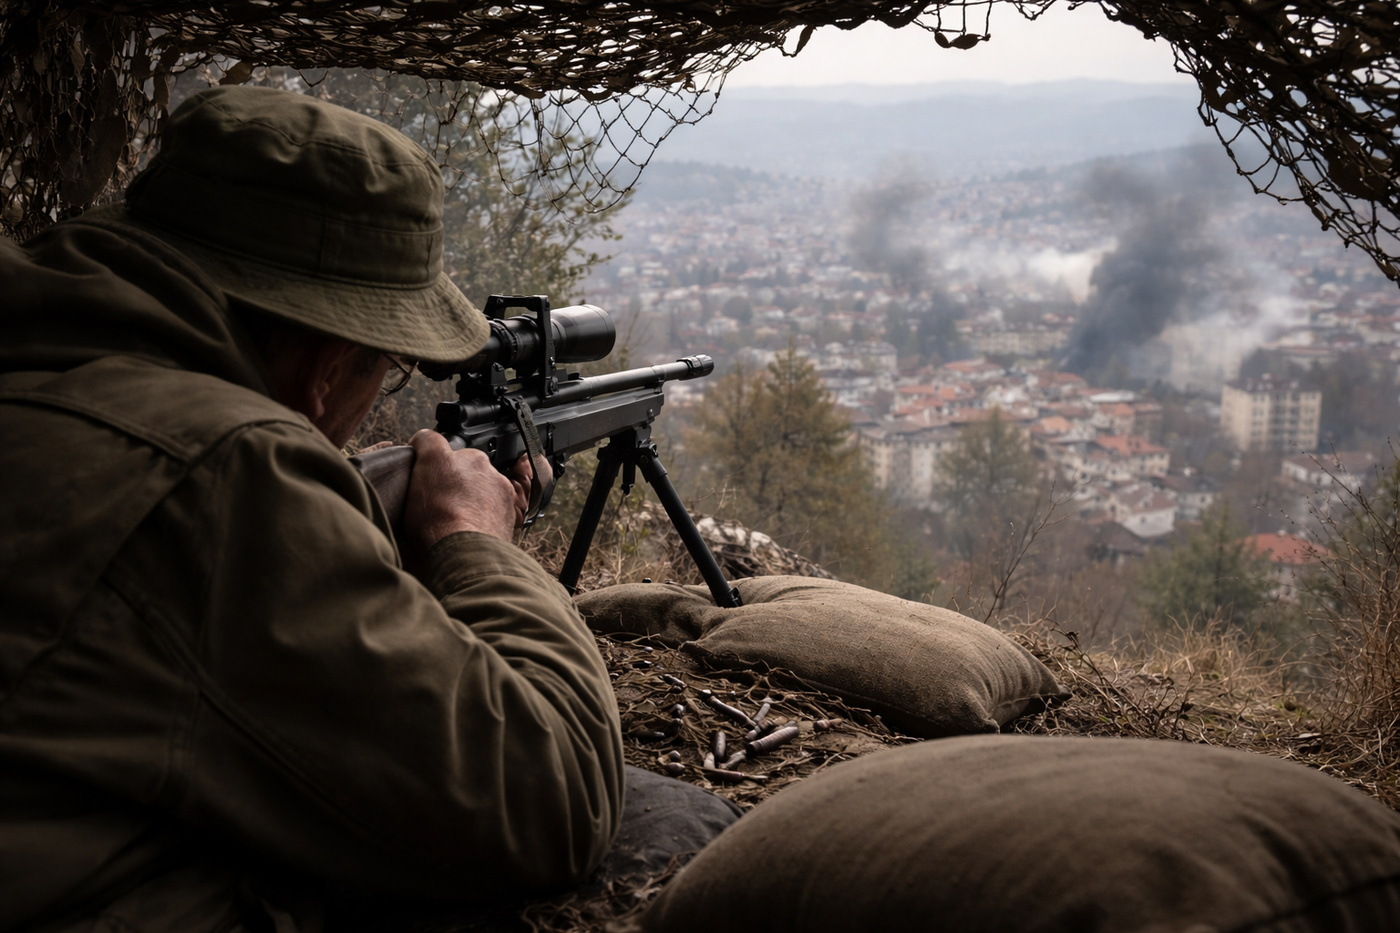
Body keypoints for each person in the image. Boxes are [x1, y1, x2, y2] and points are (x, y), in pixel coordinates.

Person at [0, 85, 626, 932]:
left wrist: (348, 507)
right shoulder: (231, 473)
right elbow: (555, 791)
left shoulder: (49, 356)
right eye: (387, 370)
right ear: (327, 369)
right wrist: (474, 539)